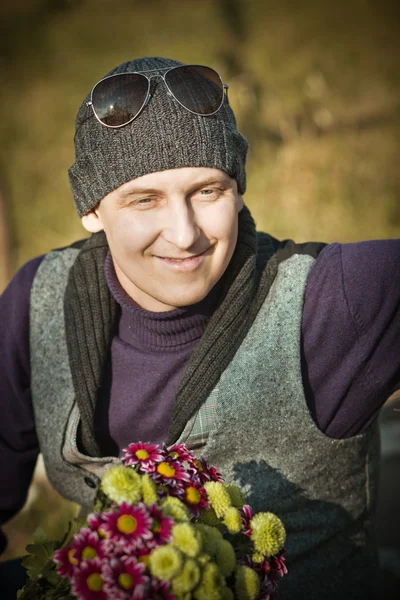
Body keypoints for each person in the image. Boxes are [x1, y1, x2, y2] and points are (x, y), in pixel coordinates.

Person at [0, 56, 399, 600]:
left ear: (237, 187)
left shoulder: (331, 303)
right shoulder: (37, 302)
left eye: (207, 191)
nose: (185, 234)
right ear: (91, 210)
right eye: (145, 200)